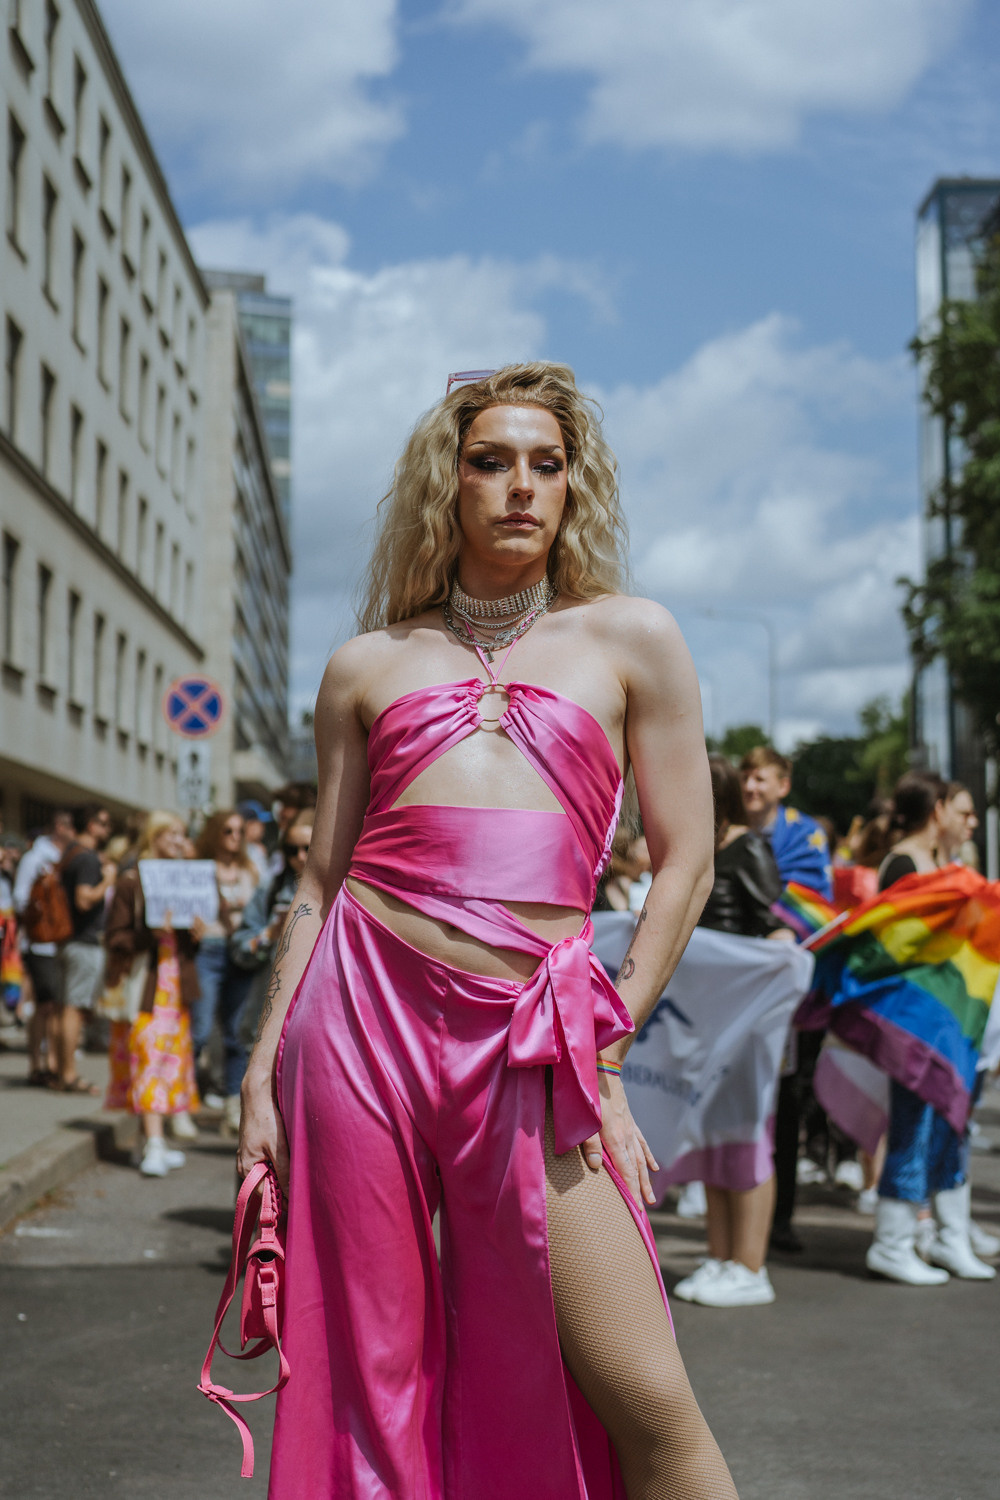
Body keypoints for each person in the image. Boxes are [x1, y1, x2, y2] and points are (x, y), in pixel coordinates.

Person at [238, 364, 737, 1499]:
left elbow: (686, 864)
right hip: (358, 1018)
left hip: (532, 1033)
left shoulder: (632, 637)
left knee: (647, 1392)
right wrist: (263, 1070)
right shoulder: (367, 663)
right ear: (447, 483)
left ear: (574, 487)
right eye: (490, 461)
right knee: (371, 1377)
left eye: (546, 465)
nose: (520, 486)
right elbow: (320, 877)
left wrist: (603, 1050)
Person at [862, 770, 994, 1283]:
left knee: (951, 1124)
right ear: (937, 810)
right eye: (960, 811)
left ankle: (948, 1235)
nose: (969, 822)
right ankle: (893, 1241)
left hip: (949, 1024)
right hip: (918, 1023)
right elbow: (899, 946)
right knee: (914, 1125)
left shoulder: (939, 863)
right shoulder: (904, 863)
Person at [673, 757, 787, 1308]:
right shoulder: (706, 849)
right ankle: (721, 1257)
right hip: (708, 1023)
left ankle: (751, 1265)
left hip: (745, 1023)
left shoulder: (748, 850)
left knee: (748, 1140)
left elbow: (782, 925)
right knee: (716, 1140)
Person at [740, 747, 832, 1253]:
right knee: (736, 1104)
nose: (751, 787)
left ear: (783, 785)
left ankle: (779, 1221)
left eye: (761, 779)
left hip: (789, 1003)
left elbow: (816, 906)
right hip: (733, 995)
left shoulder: (804, 835)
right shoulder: (720, 827)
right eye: (746, 778)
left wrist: (760, 926)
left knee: (788, 1104)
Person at [103, 811, 203, 1175]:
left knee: (168, 1062)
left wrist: (193, 933)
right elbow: (114, 938)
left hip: (175, 986)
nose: (179, 841)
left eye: (182, 834)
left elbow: (191, 946)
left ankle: (148, 1143)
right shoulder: (132, 882)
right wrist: (150, 930)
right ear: (154, 836)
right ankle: (155, 1143)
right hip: (145, 987)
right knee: (148, 1059)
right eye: (172, 834)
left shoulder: (186, 880)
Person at [192, 810, 259, 1129]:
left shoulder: (250, 871)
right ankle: (181, 1099)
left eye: (239, 832)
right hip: (208, 950)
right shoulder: (200, 870)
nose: (235, 837)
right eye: (228, 831)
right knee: (200, 1030)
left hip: (239, 956)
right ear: (215, 833)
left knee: (235, 1034)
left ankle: (233, 1108)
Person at [12, 810, 75, 1085]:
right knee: (45, 1004)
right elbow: (20, 897)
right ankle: (38, 1064)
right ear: (60, 827)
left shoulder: (62, 859)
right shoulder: (35, 859)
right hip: (39, 944)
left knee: (52, 1004)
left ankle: (50, 1062)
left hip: (58, 943)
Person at [56, 804, 115, 1093]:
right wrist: (108, 880)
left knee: (64, 1007)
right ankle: (68, 1074)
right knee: (73, 1009)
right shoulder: (88, 859)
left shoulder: (69, 853)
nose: (108, 830)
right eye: (104, 823)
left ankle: (60, 1070)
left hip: (67, 940)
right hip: (83, 942)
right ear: (91, 825)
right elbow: (84, 899)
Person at [237, 800, 273, 883]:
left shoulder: (258, 848)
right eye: (260, 823)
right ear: (249, 824)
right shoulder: (239, 850)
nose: (263, 828)